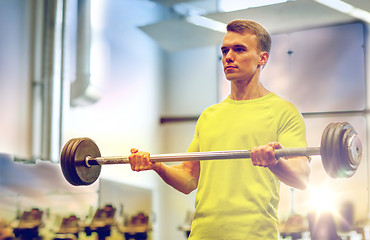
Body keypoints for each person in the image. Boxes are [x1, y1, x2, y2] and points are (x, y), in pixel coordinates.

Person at [129, 19, 311, 240]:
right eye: (225, 50)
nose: (228, 57)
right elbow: (188, 179)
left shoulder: (284, 111)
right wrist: (157, 166)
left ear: (262, 58)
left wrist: (274, 162)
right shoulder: (209, 116)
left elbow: (301, 178)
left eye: (239, 49)